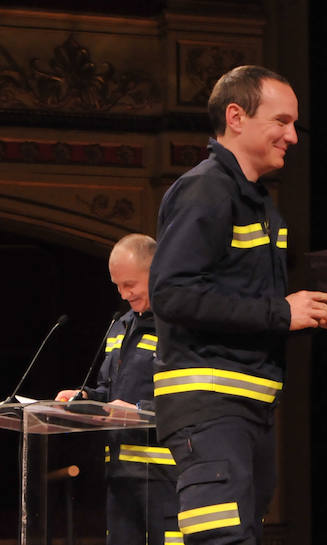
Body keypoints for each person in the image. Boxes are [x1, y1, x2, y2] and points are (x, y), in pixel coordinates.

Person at [148, 65, 327, 544]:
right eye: (281, 122)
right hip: (210, 404)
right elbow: (172, 294)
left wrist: (316, 314)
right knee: (223, 539)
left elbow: (250, 303)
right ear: (236, 117)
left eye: (293, 125)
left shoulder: (259, 204)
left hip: (249, 407)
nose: (292, 137)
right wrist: (283, 312)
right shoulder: (207, 189)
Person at [56, 233, 180, 545]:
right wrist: (83, 398)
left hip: (166, 477)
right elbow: (108, 391)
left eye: (131, 285)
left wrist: (140, 412)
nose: (124, 294)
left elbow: (192, 398)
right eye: (118, 286)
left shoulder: (181, 327)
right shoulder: (120, 326)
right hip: (121, 475)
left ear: (157, 272)